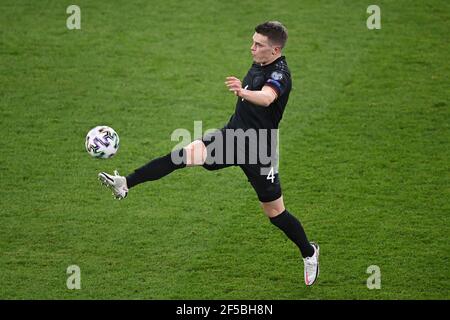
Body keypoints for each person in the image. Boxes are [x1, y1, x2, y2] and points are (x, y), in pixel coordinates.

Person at [98, 21, 320, 286]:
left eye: (258, 45)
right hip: (231, 138)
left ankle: (309, 252)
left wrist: (242, 91)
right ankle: (125, 183)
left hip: (260, 151)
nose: (252, 48)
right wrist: (242, 92)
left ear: (275, 50)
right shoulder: (259, 63)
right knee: (180, 156)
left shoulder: (281, 73)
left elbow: (267, 98)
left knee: (276, 214)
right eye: (252, 42)